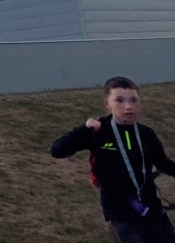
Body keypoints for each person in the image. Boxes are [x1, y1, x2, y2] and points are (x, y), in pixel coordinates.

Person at [51, 76, 175, 243]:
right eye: (119, 100)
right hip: (121, 215)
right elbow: (57, 151)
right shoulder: (98, 132)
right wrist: (84, 129)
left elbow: (163, 163)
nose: (128, 106)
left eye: (133, 100)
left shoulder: (146, 134)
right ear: (107, 103)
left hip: (151, 209)